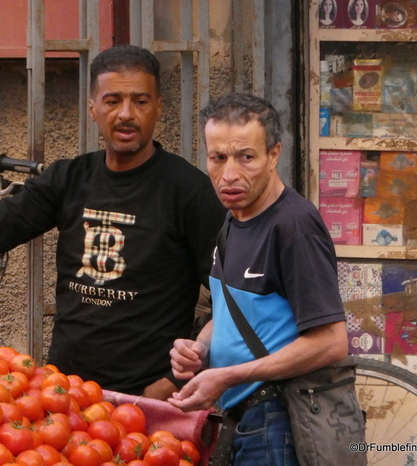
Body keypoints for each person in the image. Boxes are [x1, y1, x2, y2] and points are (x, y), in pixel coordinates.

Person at [0, 45, 227, 400]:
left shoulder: (190, 192)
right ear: (92, 109)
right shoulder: (70, 178)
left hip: (147, 395)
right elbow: (1, 223)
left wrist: (175, 380)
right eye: (112, 100)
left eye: (141, 101)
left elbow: (231, 299)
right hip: (65, 391)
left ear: (159, 108)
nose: (126, 114)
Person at [168, 93, 349, 465]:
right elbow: (238, 312)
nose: (229, 174)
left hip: (279, 417)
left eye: (246, 157)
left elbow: (330, 342)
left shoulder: (294, 226)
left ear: (274, 155)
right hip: (243, 418)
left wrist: (229, 375)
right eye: (218, 158)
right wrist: (199, 349)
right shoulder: (234, 219)